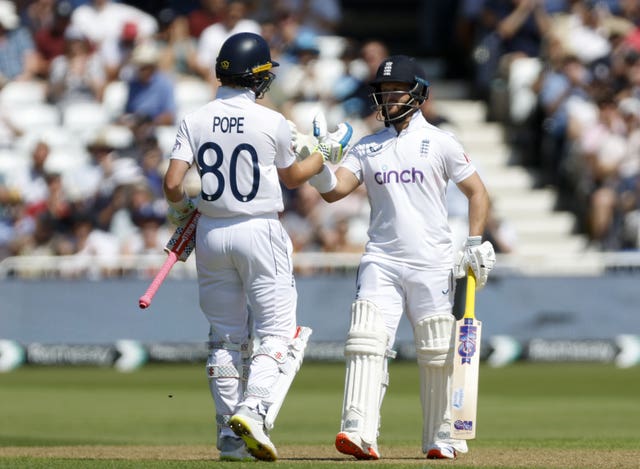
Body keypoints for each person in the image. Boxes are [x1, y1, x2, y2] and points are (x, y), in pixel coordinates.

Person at [161, 31, 352, 462]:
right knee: (276, 332)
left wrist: (181, 213)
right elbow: (293, 177)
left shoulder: (194, 118)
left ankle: (230, 438)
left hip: (211, 232)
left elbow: (173, 183)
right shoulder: (272, 121)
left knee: (225, 339)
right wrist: (325, 151)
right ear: (258, 77)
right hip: (259, 229)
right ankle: (254, 408)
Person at [295, 55, 496, 460]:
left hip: (433, 261)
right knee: (366, 340)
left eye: (395, 91)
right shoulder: (369, 146)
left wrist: (474, 242)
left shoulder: (441, 142)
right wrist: (317, 161)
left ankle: (442, 434)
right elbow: (335, 191)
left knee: (438, 350)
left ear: (418, 94)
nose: (386, 98)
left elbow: (478, 192)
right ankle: (358, 430)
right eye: (382, 91)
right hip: (381, 260)